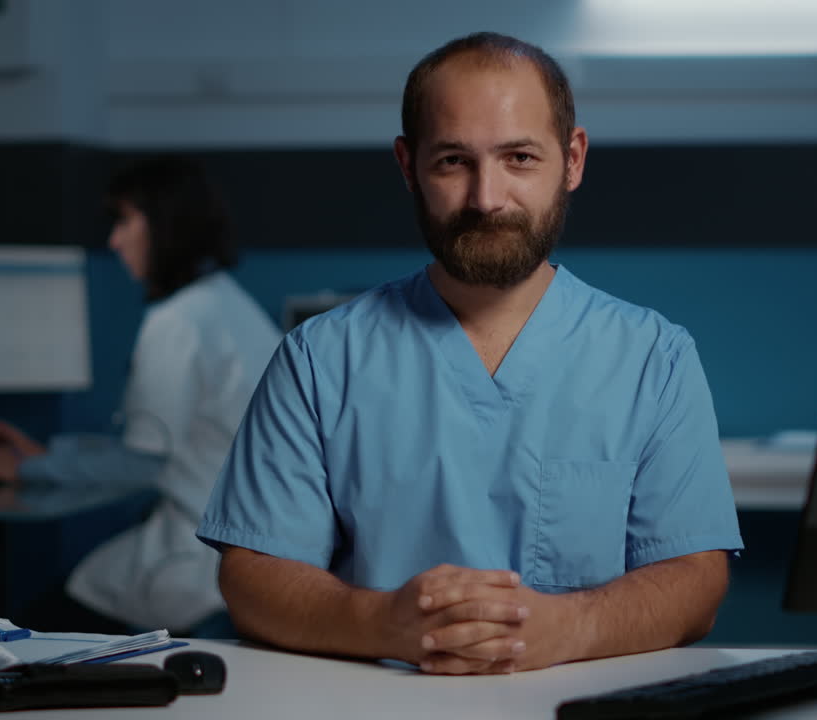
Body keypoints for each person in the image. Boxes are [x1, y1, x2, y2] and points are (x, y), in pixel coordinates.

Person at [197, 32, 743, 673]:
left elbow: (694, 580)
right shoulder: (320, 360)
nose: (487, 198)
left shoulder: (655, 358)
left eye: (519, 158)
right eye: (454, 161)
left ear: (572, 159)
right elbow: (253, 576)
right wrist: (382, 624)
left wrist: (564, 629)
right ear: (408, 166)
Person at [0, 155, 283, 636]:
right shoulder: (231, 305)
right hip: (250, 556)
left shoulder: (176, 322)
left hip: (194, 564)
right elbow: (164, 446)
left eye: (124, 221)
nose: (114, 241)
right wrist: (51, 456)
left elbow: (142, 463)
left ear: (164, 224)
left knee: (27, 636)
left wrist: (26, 469)